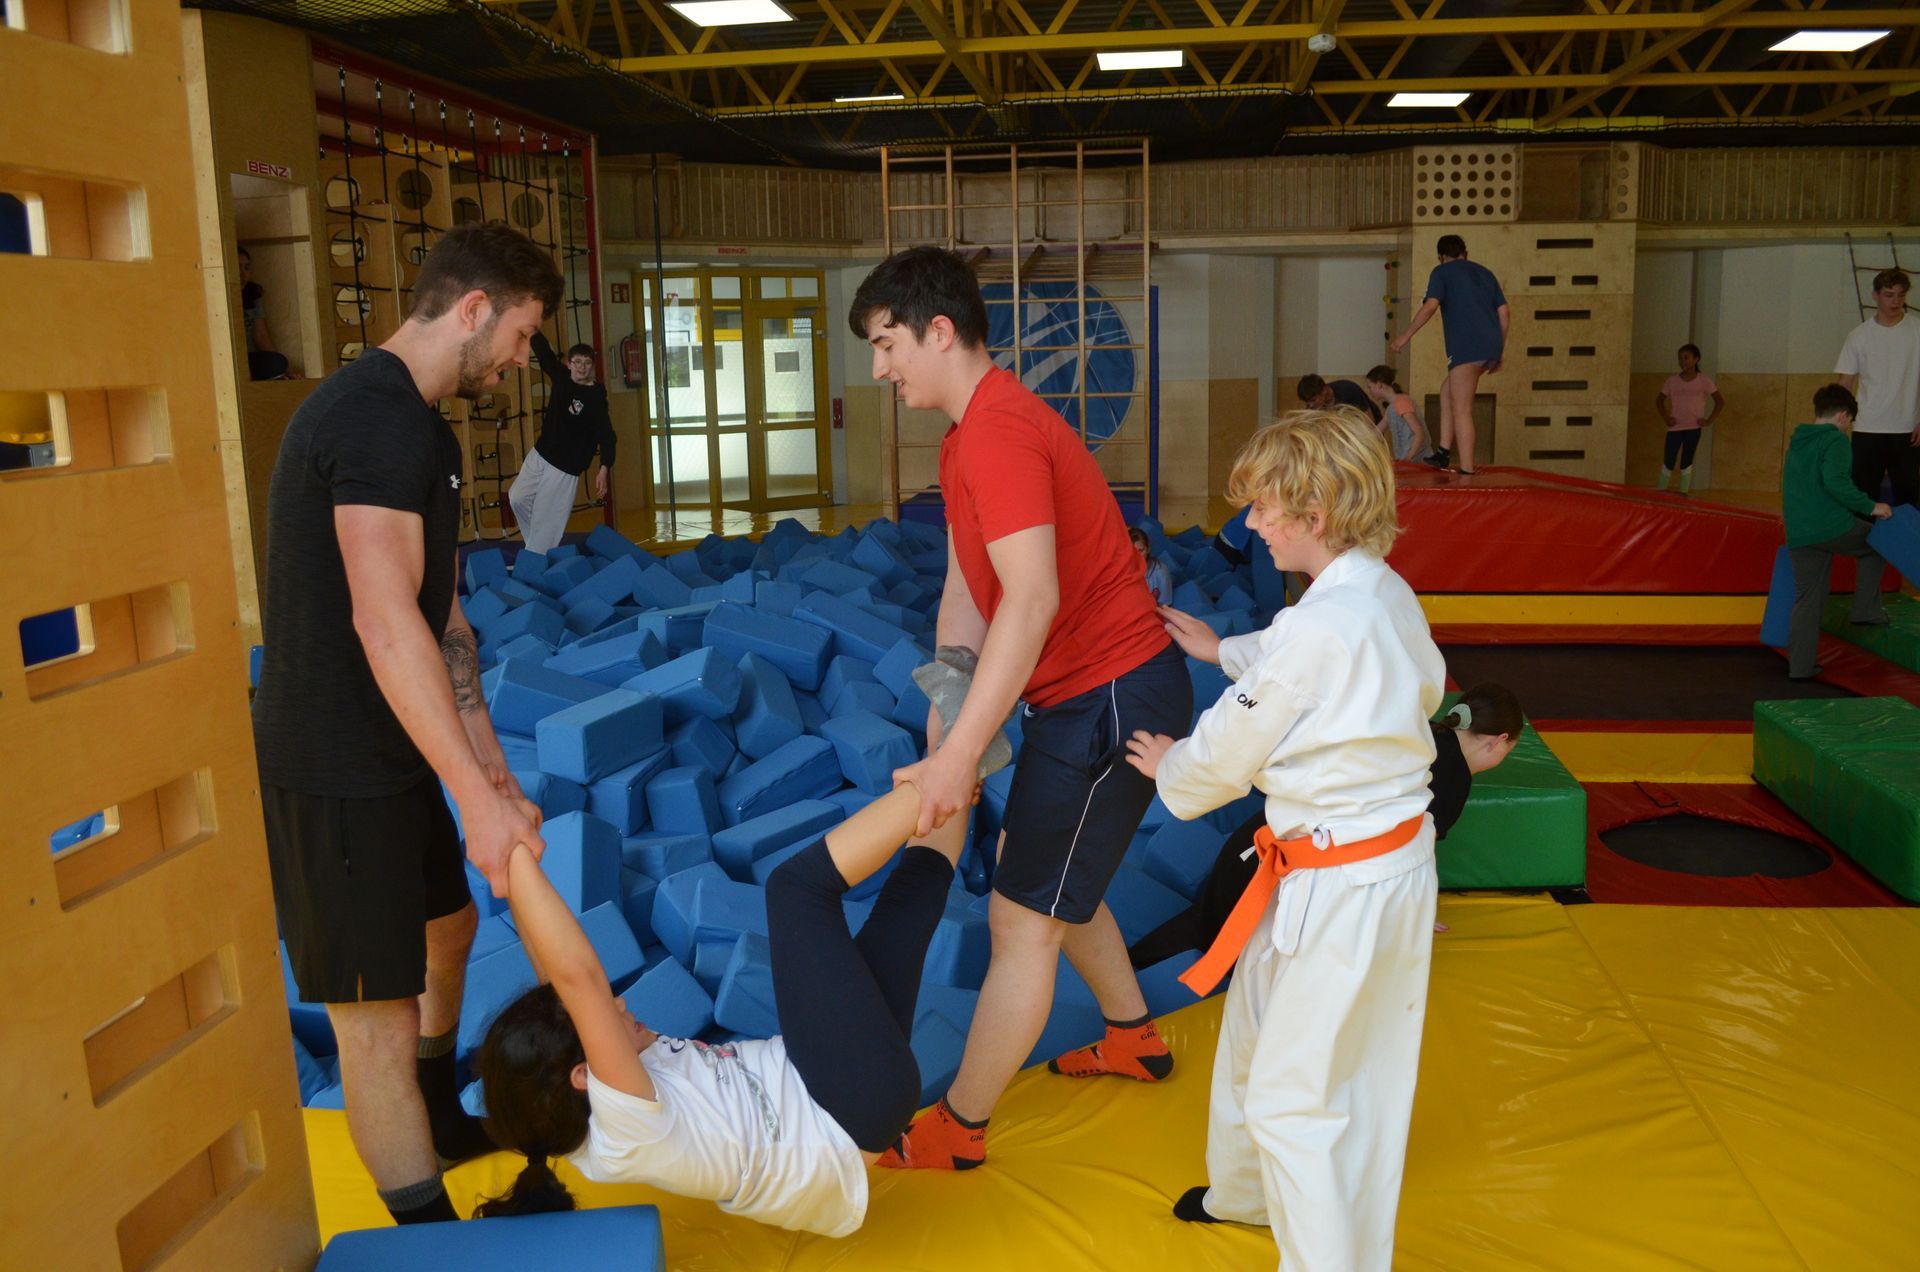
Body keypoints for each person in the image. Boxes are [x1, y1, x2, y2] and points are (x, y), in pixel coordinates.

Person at [847, 246, 1193, 1171]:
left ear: (940, 332)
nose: (879, 369)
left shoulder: (998, 431)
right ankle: (1134, 1036)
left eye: (887, 346)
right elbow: (969, 584)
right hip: (1080, 693)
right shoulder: (969, 436)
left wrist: (961, 756)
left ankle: (958, 1132)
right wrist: (948, 705)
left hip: (1114, 693)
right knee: (1044, 876)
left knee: (1020, 918)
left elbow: (1031, 598)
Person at [250, 222, 560, 1226]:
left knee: (451, 926)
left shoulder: (422, 426)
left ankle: (434, 1104)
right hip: (334, 762)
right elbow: (384, 621)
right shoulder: (373, 420)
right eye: (519, 334)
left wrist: (491, 767)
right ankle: (430, 1237)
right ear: (472, 309)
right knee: (372, 1021)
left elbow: (445, 619)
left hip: (395, 751)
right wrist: (475, 806)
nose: (521, 359)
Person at [1121, 408, 1444, 1269]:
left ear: (1318, 511)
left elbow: (1225, 759)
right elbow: (1341, 669)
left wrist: (1170, 765)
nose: (1252, 524)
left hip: (1341, 881)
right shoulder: (1379, 590)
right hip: (1374, 864)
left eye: (1266, 508)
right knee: (1257, 1033)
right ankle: (1243, 1197)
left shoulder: (1319, 627)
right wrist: (1224, 649)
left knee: (1296, 1101)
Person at [475, 776, 973, 1234]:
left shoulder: (580, 1101)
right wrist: (516, 856)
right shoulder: (622, 1129)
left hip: (846, 1092)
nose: (619, 1005)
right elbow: (578, 978)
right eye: (607, 1014)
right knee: (795, 890)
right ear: (583, 1076)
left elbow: (557, 978)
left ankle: (961, 749)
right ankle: (947, 771)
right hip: (840, 1104)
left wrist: (507, 856)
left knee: (905, 906)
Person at [1127, 681, 1522, 968]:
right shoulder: (1453, 777)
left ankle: (1131, 968)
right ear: (1498, 740)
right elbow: (1410, 852)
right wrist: (1410, 912)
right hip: (1276, 859)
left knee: (1206, 924)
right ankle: (1129, 981)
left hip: (1262, 834)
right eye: (1509, 750)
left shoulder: (1422, 734)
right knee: (1211, 935)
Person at [1782, 384, 1892, 681]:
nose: (1849, 427)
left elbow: (1795, 487)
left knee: (1808, 598)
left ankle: (1800, 668)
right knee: (1878, 543)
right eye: (1851, 422)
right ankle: (1865, 611)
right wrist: (1872, 506)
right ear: (1843, 416)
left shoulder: (1798, 441)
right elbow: (1836, 483)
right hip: (1830, 526)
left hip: (1800, 531)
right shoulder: (1835, 441)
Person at [1390, 234, 1509, 476]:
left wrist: (1405, 336)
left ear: (1441, 256)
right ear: (1466, 253)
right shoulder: (1485, 272)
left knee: (1462, 409)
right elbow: (1504, 313)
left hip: (1467, 346)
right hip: (1489, 344)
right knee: (1447, 392)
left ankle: (1467, 470)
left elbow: (1431, 305)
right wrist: (1498, 350)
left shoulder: (1442, 272)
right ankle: (1443, 453)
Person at [508, 333, 615, 554]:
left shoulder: (595, 398)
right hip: (540, 454)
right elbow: (545, 355)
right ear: (569, 363)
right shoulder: (562, 377)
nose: (582, 368)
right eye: (577, 362)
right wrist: (531, 326)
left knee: (547, 522)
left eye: (587, 363)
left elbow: (607, 435)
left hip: (564, 468)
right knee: (517, 497)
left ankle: (536, 562)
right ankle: (536, 550)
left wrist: (604, 467)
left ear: (592, 366)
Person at [1835, 268, 1920, 508]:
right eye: (1889, 295)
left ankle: (1907, 544)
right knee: (1864, 494)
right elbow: (1845, 383)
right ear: (1875, 296)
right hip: (1867, 426)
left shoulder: (1917, 331)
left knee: (1909, 496)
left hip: (1907, 429)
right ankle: (1863, 544)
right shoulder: (1859, 336)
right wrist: (1836, 423)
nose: (1896, 301)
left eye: (1901, 295)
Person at [1656, 343, 1722, 494]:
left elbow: (1720, 401)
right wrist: (1666, 417)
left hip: (1693, 428)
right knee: (1669, 460)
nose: (1682, 361)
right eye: (1680, 358)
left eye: (1686, 358)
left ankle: (1683, 492)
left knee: (1687, 460)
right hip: (1675, 428)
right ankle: (1660, 492)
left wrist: (1709, 420)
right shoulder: (1672, 380)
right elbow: (1659, 400)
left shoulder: (1703, 380)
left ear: (1696, 359)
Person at [239, 246, 290, 381]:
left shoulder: (253, 293)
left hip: (250, 358)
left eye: (246, 267)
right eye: (238, 267)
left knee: (278, 362)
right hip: (229, 359)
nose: (243, 273)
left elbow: (261, 335)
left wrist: (282, 373)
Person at [1363, 365, 1432, 462]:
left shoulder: (1401, 402)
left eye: (1370, 387)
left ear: (1379, 385)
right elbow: (1376, 433)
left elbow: (1420, 433)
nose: (1369, 391)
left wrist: (1408, 458)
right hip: (1407, 462)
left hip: (1419, 463)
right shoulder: (1391, 408)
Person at [1295, 372, 1381, 424]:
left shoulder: (1348, 390)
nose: (1311, 405)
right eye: (1308, 402)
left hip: (1371, 421)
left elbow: (1369, 419)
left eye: (1313, 400)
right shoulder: (1313, 406)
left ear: (1324, 391)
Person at [1130, 525, 1174, 605]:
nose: (1137, 556)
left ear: (1148, 549)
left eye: (1141, 550)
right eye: (1132, 552)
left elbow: (1166, 606)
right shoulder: (1121, 571)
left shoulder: (1160, 572)